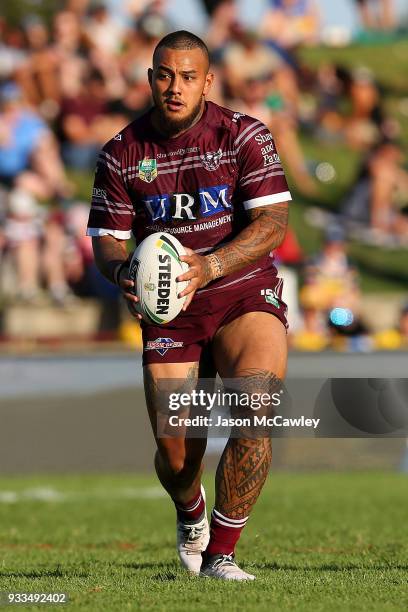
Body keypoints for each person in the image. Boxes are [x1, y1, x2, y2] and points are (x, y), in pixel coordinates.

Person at [87, 30, 291, 581]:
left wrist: (213, 265)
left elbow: (273, 223)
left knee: (257, 407)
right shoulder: (122, 153)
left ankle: (222, 555)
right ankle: (190, 508)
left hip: (241, 290)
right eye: (163, 75)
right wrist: (119, 270)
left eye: (186, 76)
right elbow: (108, 238)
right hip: (170, 309)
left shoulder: (244, 135)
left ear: (207, 81)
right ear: (151, 77)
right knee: (178, 458)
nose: (174, 87)